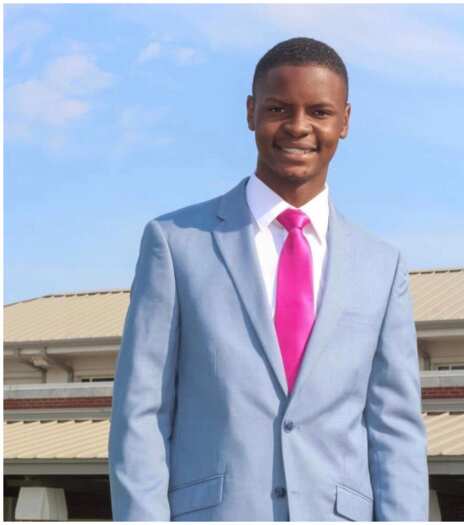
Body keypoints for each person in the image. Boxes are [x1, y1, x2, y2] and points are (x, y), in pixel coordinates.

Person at [108, 37, 428, 521]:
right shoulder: (175, 244)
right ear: (251, 111)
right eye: (279, 108)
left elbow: (395, 430)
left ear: (344, 121)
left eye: (319, 111)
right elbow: (141, 415)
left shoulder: (382, 265)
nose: (298, 127)